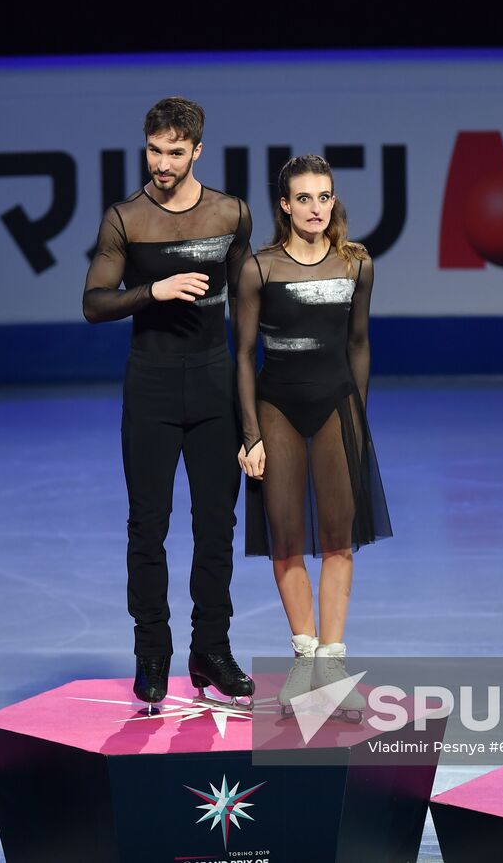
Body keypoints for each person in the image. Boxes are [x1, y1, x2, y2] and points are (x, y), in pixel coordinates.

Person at [82, 97, 255, 708]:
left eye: (175, 152)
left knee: (216, 527)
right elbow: (94, 303)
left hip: (214, 388)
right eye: (154, 150)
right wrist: (152, 290)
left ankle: (211, 648)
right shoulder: (125, 218)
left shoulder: (232, 213)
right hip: (151, 387)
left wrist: (254, 414)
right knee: (147, 528)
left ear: (197, 151)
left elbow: (248, 314)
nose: (162, 163)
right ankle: (151, 652)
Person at [234, 155, 389, 720]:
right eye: (304, 198)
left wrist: (359, 421)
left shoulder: (357, 264)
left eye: (324, 197)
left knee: (339, 538)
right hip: (277, 408)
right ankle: (303, 658)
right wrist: (250, 435)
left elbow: (359, 345)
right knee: (287, 536)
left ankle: (331, 664)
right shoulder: (259, 269)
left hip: (336, 409)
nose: (316, 208)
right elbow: (245, 357)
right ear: (284, 205)